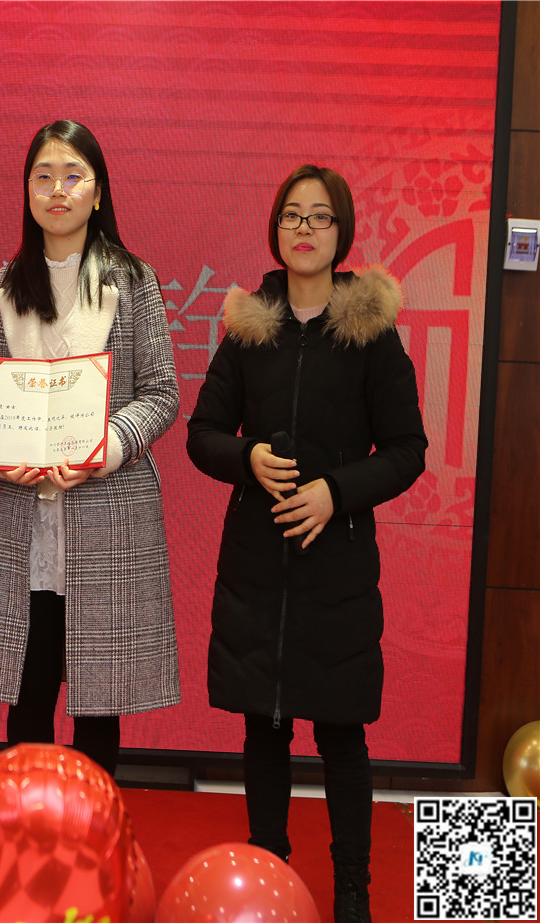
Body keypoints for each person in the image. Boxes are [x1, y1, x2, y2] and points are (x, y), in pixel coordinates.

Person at [186, 164, 427, 923]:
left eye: (319, 216)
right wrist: (246, 458)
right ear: (275, 229)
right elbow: (201, 433)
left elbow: (407, 448)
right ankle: (268, 872)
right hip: (257, 562)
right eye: (292, 214)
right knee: (263, 726)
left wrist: (336, 491)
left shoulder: (369, 332)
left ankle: (351, 888)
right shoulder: (248, 327)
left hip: (336, 566)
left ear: (340, 232)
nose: (304, 228)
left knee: (341, 734)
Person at [0, 120, 181, 778]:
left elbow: (161, 393)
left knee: (98, 703)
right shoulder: (2, 286)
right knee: (26, 694)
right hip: (23, 516)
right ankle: (26, 829)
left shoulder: (132, 279)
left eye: (72, 176)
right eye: (43, 177)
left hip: (108, 516)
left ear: (98, 191)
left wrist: (104, 446)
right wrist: (0, 450)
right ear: (26, 191)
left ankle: (91, 831)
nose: (57, 190)